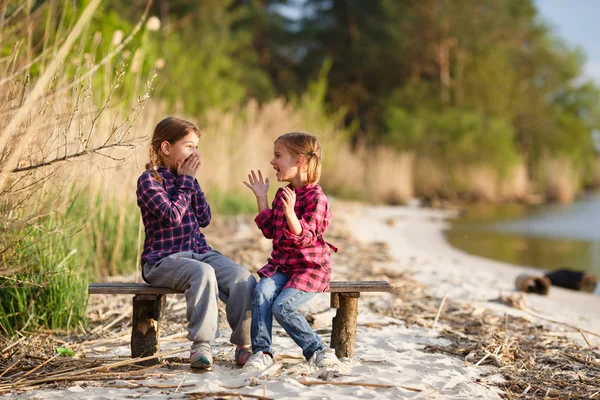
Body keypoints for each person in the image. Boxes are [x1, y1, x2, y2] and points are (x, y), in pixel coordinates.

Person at [136, 117, 256, 370]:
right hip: (163, 260)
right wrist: (186, 181)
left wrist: (189, 182)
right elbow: (172, 216)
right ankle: (202, 345)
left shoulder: (188, 180)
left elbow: (205, 218)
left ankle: (244, 345)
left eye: (196, 148)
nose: (194, 153)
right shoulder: (149, 180)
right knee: (202, 273)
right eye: (189, 146)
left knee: (242, 277)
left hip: (200, 252)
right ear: (166, 148)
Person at [242, 131, 340, 372]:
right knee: (262, 291)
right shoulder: (283, 193)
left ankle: (317, 350)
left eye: (278, 155)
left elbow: (306, 236)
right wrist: (262, 198)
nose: (272, 162)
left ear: (299, 160)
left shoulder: (316, 196)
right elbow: (269, 230)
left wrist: (291, 213)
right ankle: (262, 351)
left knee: (282, 307)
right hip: (282, 266)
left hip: (309, 269)